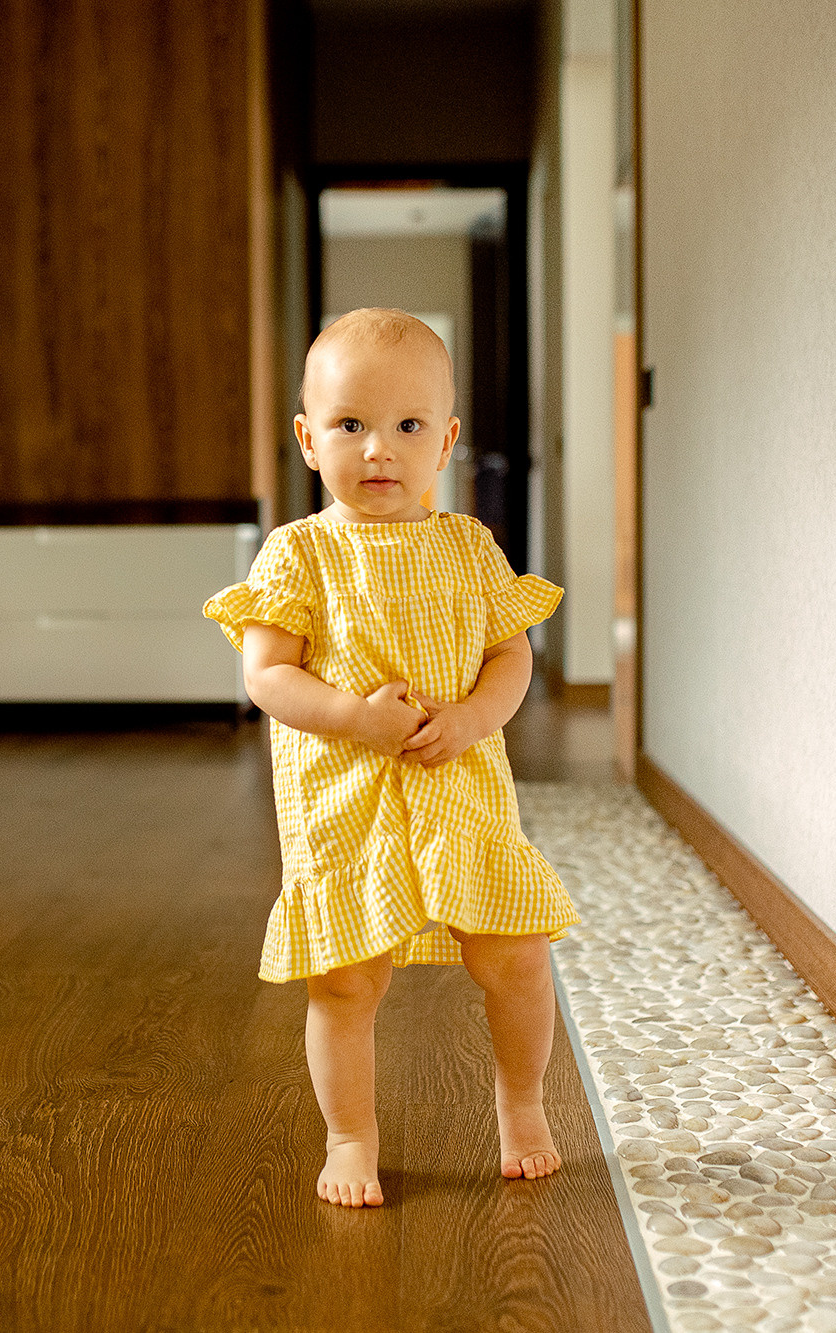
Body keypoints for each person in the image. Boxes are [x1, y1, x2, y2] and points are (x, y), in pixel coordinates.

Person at [203, 307, 580, 1209]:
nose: (379, 449)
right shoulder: (299, 554)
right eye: (350, 426)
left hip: (462, 793)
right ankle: (350, 1134)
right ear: (307, 438)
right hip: (345, 801)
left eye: (408, 426)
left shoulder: (469, 547)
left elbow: (510, 651)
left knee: (518, 954)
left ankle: (523, 1104)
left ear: (446, 440)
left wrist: (475, 716)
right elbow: (267, 675)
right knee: (345, 979)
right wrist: (350, 717)